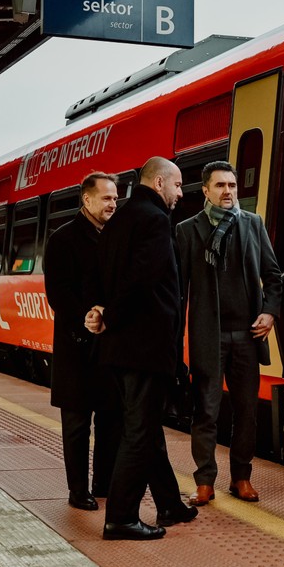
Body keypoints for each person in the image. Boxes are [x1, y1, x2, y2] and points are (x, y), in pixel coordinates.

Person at [85, 156, 197, 540]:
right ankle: (120, 517)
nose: (181, 194)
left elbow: (106, 276)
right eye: (179, 186)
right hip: (145, 346)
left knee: (145, 428)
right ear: (161, 183)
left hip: (120, 348)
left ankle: (168, 503)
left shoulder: (118, 220)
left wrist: (105, 314)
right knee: (139, 431)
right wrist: (114, 314)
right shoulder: (153, 220)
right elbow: (144, 279)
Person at [176, 161, 281, 506]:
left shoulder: (253, 224)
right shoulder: (189, 230)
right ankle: (204, 482)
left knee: (246, 411)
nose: (228, 192)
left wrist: (269, 312)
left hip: (248, 337)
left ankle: (241, 478)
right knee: (206, 411)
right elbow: (179, 290)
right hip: (210, 336)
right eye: (220, 186)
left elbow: (273, 276)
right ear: (205, 190)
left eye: (233, 186)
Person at [44, 172, 123, 511]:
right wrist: (86, 317)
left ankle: (103, 483)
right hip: (76, 345)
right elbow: (57, 293)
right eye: (106, 198)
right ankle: (78, 490)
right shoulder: (62, 239)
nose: (113, 203)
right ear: (87, 200)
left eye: (115, 198)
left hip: (109, 344)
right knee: (76, 424)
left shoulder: (119, 237)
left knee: (110, 419)